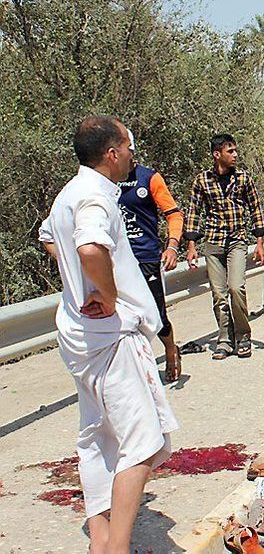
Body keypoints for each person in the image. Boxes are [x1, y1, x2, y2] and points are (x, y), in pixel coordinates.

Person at [38, 116, 179, 553]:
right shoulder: (95, 196)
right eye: (130, 148)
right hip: (110, 336)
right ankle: (117, 548)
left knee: (97, 437)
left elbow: (49, 238)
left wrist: (80, 281)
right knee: (141, 443)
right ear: (113, 152)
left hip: (79, 332)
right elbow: (89, 247)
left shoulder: (69, 193)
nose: (134, 156)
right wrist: (108, 291)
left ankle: (100, 540)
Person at [183, 134, 264, 360]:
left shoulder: (243, 179)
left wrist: (259, 242)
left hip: (237, 240)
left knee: (235, 288)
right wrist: (191, 245)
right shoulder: (202, 181)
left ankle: (243, 335)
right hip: (213, 242)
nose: (235, 155)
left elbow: (256, 209)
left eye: (235, 151)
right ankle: (225, 338)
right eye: (230, 151)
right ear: (217, 154)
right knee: (219, 295)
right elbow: (194, 212)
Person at [116, 130, 185, 382]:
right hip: (116, 261)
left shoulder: (149, 178)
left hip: (146, 257)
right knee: (123, 318)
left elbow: (174, 214)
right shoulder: (104, 181)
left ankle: (169, 348)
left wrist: (172, 245)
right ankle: (135, 368)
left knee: (156, 315)